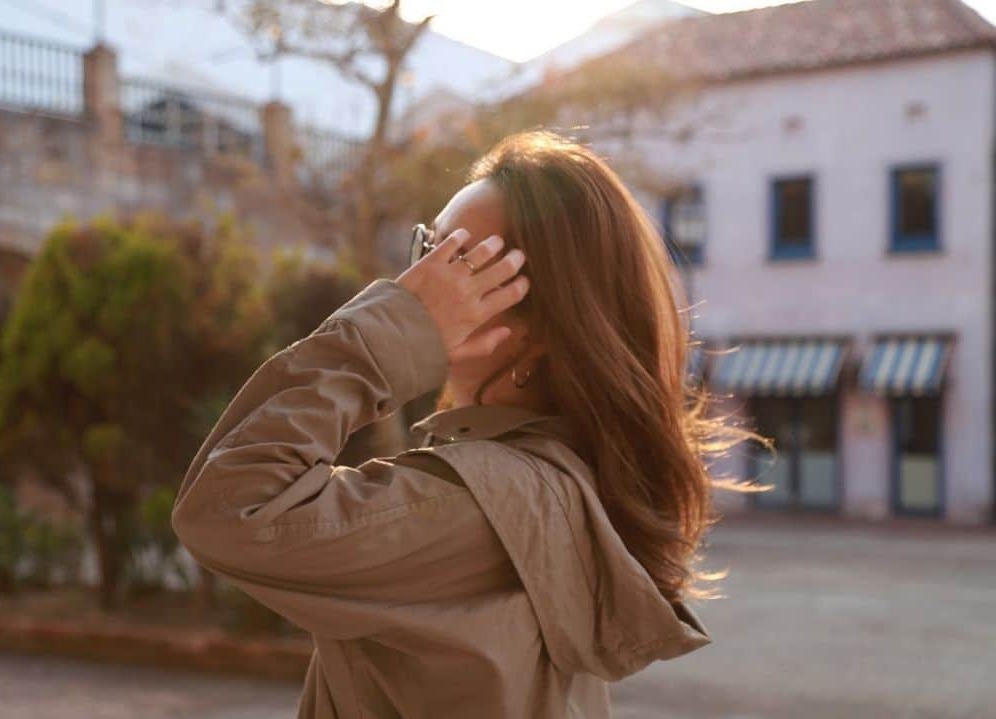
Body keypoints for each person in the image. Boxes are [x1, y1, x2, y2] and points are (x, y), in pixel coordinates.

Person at [171, 129, 765, 718]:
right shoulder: (553, 483)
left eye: (453, 259)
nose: (417, 283)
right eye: (421, 248)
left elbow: (232, 508)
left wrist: (388, 335)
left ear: (546, 325)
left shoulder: (479, 504)